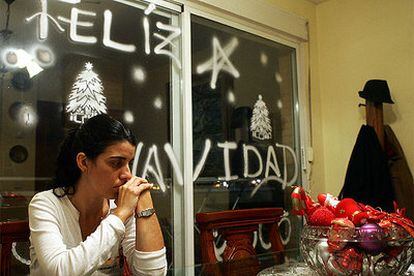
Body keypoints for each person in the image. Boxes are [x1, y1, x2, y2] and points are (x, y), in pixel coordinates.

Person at [28, 114, 167, 275]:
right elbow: (60, 271)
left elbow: (153, 273)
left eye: (129, 163)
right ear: (84, 162)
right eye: (116, 163)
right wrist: (119, 215)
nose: (128, 175)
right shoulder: (45, 203)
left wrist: (145, 206)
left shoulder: (121, 206)